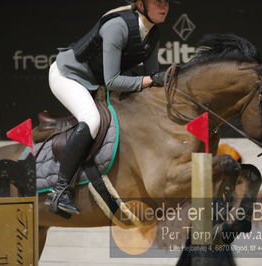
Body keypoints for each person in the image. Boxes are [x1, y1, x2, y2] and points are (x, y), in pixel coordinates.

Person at [46, 0, 170, 215]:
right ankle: (60, 191)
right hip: (68, 75)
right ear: (141, 4)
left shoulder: (153, 33)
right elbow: (112, 81)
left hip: (93, 82)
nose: (164, 7)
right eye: (157, 2)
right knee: (91, 119)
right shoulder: (118, 26)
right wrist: (150, 80)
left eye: (166, 2)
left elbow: (152, 79)